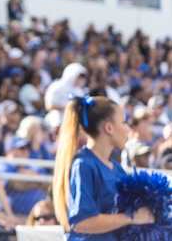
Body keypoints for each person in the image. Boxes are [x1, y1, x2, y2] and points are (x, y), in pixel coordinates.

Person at [53, 95, 155, 241]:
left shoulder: (116, 168)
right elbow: (82, 222)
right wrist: (131, 217)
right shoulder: (84, 165)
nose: (128, 129)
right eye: (124, 122)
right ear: (109, 128)